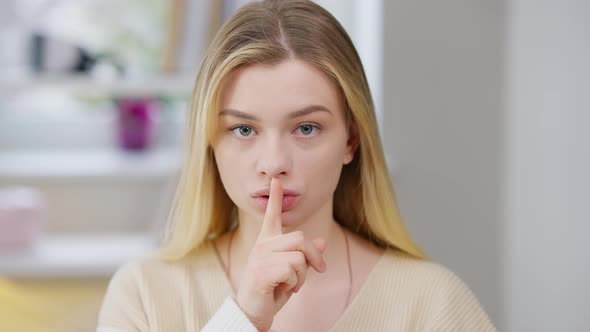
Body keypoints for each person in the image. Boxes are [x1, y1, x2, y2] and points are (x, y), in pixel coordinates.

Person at [97, 0, 497, 331]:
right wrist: (245, 317)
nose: (273, 164)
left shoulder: (433, 304)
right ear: (209, 141)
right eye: (242, 129)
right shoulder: (144, 294)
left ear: (351, 140)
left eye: (306, 128)